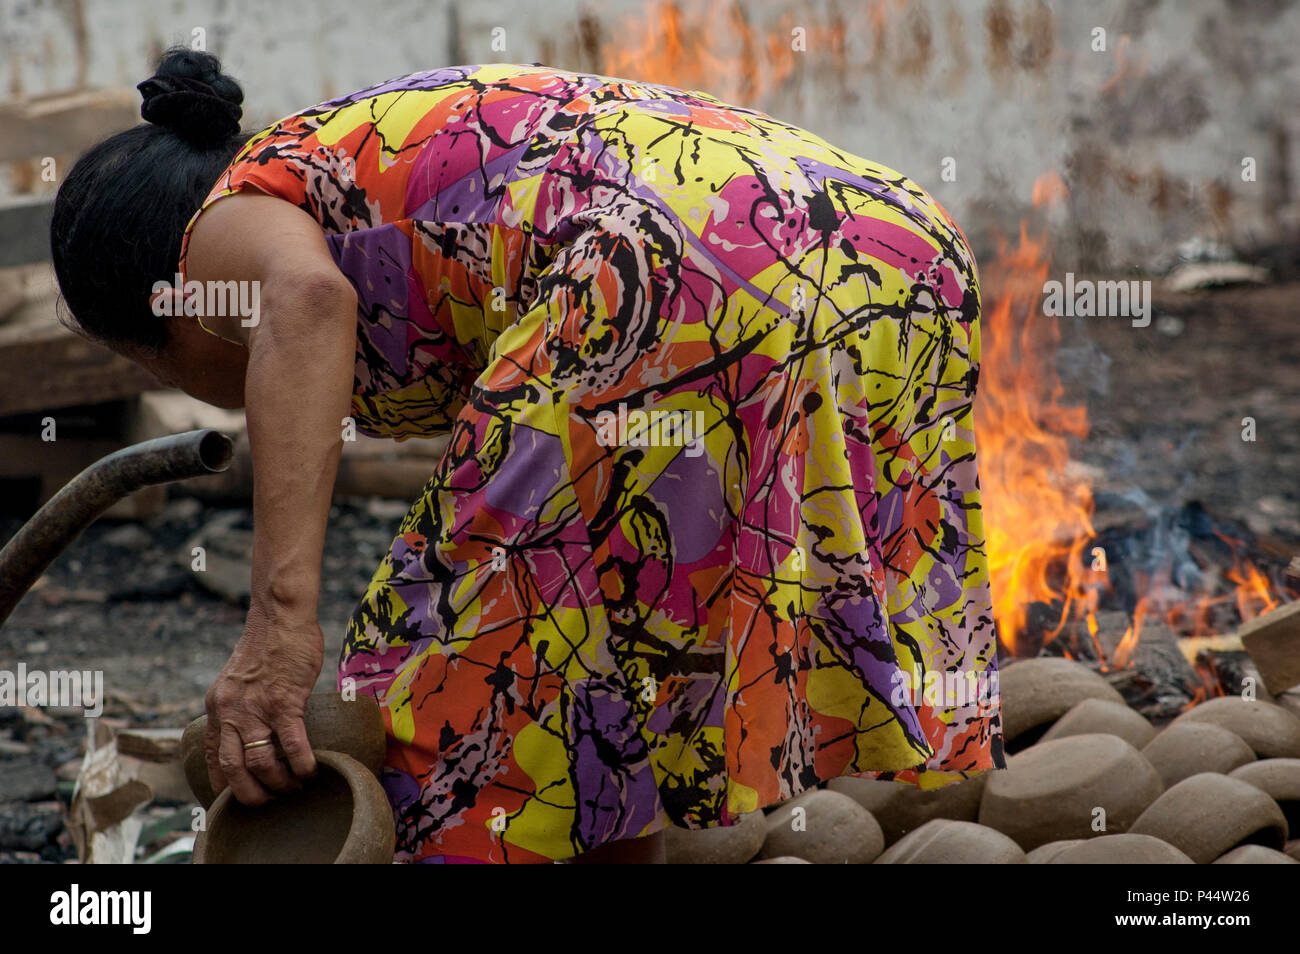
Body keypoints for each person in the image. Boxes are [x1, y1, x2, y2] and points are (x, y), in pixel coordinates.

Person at [51, 49, 1005, 864]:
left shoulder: (222, 224)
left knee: (436, 703)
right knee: (597, 672)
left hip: (682, 272)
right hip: (892, 256)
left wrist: (277, 628)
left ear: (159, 314)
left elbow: (305, 303)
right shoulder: (350, 158)